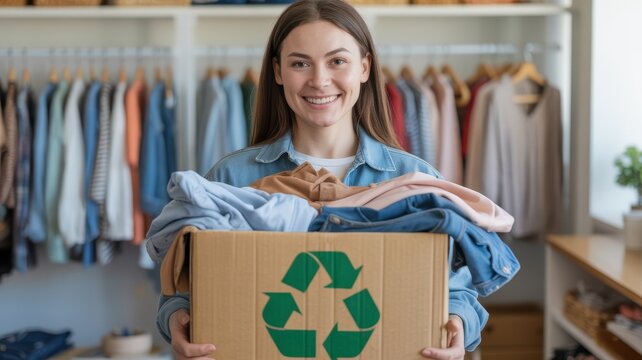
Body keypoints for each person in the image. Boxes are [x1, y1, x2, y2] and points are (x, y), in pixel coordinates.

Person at [156, 0, 487, 359]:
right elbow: (186, 287)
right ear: (278, 72)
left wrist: (458, 322)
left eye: (337, 61)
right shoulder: (230, 178)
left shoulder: (415, 181)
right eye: (300, 63)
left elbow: (458, 289)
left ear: (364, 67)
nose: (319, 80)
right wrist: (176, 318)